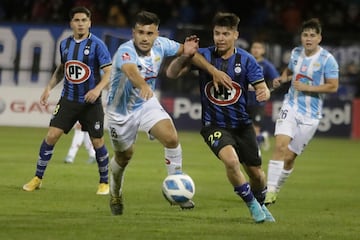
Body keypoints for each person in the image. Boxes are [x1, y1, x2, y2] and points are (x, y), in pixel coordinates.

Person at [106, 10, 232, 216]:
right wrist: (143, 86)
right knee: (124, 156)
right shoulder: (125, 51)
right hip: (120, 113)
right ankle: (115, 192)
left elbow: (189, 52)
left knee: (172, 138)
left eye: (150, 33)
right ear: (133, 33)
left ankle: (178, 190)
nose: (145, 38)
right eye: (140, 32)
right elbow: (130, 71)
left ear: (157, 34)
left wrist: (212, 70)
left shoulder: (162, 44)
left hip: (146, 104)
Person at [167, 12, 275, 223]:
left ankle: (260, 202)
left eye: (226, 34)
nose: (221, 38)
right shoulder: (204, 55)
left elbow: (262, 87)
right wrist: (184, 55)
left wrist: (265, 92)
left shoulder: (246, 60)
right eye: (217, 33)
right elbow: (171, 73)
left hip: (243, 126)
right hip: (214, 125)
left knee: (258, 176)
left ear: (236, 35)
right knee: (231, 161)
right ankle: (252, 205)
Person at [22, 6, 112, 195]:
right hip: (68, 100)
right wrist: (48, 87)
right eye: (77, 20)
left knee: (98, 142)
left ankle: (104, 182)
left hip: (90, 103)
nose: (80, 24)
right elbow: (62, 69)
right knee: (51, 136)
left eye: (84, 20)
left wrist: (97, 90)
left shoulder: (97, 45)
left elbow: (109, 73)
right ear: (71, 23)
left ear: (90, 22)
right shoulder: (64, 44)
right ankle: (37, 178)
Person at [264, 18, 339, 205]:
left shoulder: (327, 60)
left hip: (311, 115)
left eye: (312, 35)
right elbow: (289, 71)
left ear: (319, 38)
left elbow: (333, 87)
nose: (308, 39)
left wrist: (308, 88)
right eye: (305, 35)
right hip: (291, 105)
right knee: (280, 146)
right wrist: (281, 79)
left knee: (289, 158)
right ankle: (269, 191)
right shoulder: (296, 53)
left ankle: (277, 188)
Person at [248, 41, 280, 151]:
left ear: (263, 51)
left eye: (259, 48)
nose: (256, 50)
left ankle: (254, 150)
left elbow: (276, 79)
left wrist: (269, 89)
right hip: (243, 100)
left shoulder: (266, 65)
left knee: (255, 127)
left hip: (258, 102)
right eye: (254, 47)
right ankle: (261, 138)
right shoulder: (245, 61)